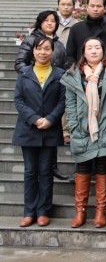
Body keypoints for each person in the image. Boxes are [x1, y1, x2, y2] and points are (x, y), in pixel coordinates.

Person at [60, 37, 106, 229]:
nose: (94, 51)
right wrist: (74, 124)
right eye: (89, 48)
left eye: (97, 48)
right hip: (82, 127)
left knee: (102, 167)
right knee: (83, 168)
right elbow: (70, 103)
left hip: (105, 126)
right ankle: (80, 211)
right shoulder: (74, 74)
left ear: (103, 51)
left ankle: (101, 211)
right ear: (83, 52)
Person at [13, 35, 66, 227]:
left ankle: (43, 211)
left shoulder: (60, 74)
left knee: (45, 171)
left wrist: (50, 119)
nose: (43, 52)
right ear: (33, 51)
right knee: (30, 171)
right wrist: (34, 119)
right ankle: (29, 211)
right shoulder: (24, 73)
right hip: (28, 129)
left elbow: (63, 101)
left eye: (46, 49)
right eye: (39, 48)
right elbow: (18, 100)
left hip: (50, 130)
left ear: (52, 51)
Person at [14, 10, 68, 181]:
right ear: (40, 22)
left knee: (49, 150)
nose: (50, 23)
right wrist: (32, 78)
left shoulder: (58, 44)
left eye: (53, 21)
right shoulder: (31, 40)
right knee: (31, 170)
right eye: (46, 20)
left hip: (54, 87)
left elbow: (65, 64)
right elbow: (19, 63)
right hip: (34, 89)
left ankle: (53, 166)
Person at [66, 0, 106, 67]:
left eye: (99, 6)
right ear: (87, 7)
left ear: (104, 9)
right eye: (92, 6)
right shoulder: (76, 29)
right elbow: (70, 55)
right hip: (80, 72)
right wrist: (77, 71)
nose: (95, 9)